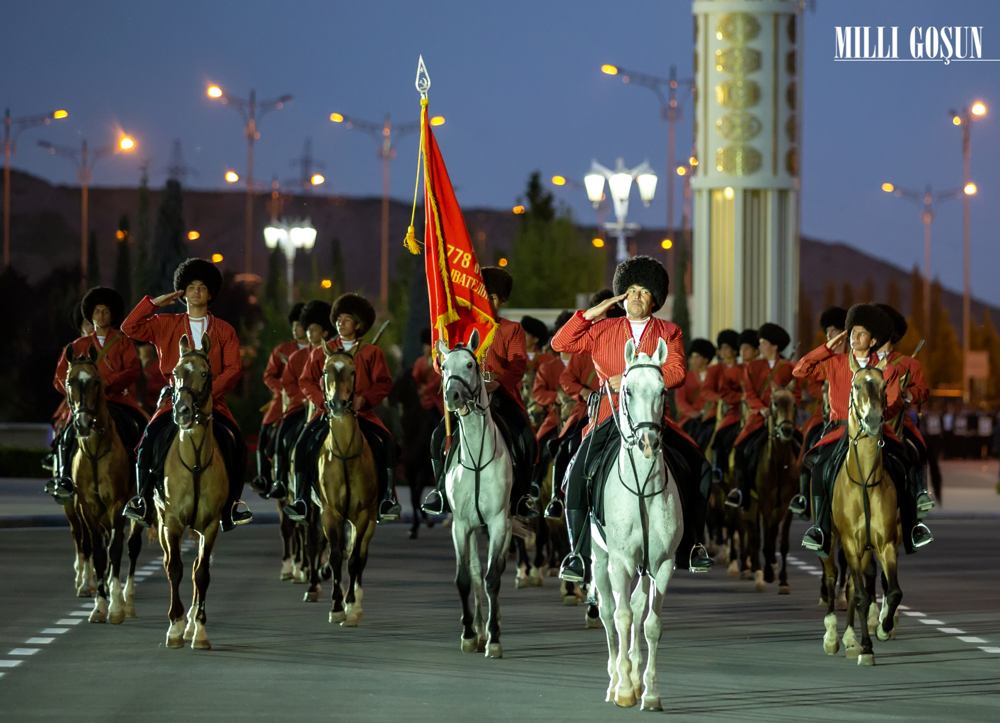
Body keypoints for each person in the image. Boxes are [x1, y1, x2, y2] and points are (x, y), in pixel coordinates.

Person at [550, 255, 713, 581]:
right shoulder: (603, 329)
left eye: (643, 292)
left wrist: (627, 378)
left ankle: (692, 545)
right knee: (577, 473)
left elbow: (677, 371)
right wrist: (592, 312)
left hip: (653, 421)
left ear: (655, 299)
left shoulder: (669, 331)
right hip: (608, 419)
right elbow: (560, 342)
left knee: (699, 466)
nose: (635, 298)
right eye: (630, 291)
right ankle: (578, 555)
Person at [121, 258, 252, 530]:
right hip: (175, 400)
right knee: (147, 442)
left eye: (202, 287)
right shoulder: (164, 323)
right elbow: (129, 327)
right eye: (191, 287)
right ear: (182, 292)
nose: (196, 292)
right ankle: (143, 501)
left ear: (211, 293)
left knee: (236, 443)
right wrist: (155, 303)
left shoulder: (225, 330)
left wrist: (208, 393)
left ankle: (232, 506)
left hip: (212, 401)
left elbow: (234, 368)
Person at [793, 303, 933, 556]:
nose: (854, 337)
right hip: (839, 430)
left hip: (875, 430)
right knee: (819, 467)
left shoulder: (885, 369)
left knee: (905, 463)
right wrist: (827, 347)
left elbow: (890, 404)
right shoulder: (834, 362)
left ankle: (913, 526)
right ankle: (819, 528)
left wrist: (899, 399)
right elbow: (801, 370)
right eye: (852, 332)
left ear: (874, 339)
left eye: (860, 333)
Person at [421, 266, 540, 519]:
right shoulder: (458, 327)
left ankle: (521, 496)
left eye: (493, 297)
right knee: (436, 437)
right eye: (484, 295)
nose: (488, 301)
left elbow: (518, 364)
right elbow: (443, 361)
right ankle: (441, 491)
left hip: (500, 397)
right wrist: (440, 359)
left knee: (526, 440)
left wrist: (498, 382)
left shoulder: (511, 330)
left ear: (502, 300)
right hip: (465, 399)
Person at [285, 293, 401, 523]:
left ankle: (387, 498)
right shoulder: (321, 351)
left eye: (347, 319)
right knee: (301, 446)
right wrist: (322, 401)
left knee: (387, 444)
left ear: (358, 324)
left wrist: (364, 400)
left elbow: (384, 383)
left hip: (362, 414)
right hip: (327, 414)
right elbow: (306, 381)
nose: (340, 323)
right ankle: (301, 499)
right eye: (338, 319)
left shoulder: (371, 353)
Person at [47, 287, 147, 501]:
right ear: (90, 315)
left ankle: (142, 481)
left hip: (118, 400)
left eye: (105, 311)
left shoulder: (124, 342)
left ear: (112, 316)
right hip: (85, 404)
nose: (101, 315)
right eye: (97, 311)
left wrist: (107, 383)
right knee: (65, 435)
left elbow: (133, 370)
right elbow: (59, 378)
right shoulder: (76, 346)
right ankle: (64, 478)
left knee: (141, 427)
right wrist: (78, 394)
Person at [726, 323, 799, 509]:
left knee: (802, 448)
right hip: (758, 420)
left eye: (763, 343)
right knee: (741, 449)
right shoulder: (752, 367)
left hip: (782, 420)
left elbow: (796, 394)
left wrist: (784, 401)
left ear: (774, 346)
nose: (760, 347)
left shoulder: (789, 367)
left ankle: (799, 495)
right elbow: (749, 393)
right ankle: (742, 492)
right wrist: (762, 408)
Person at [265, 300, 333, 500]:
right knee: (283, 436)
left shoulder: (332, 354)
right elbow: (288, 384)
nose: (308, 332)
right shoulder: (296, 357)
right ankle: (279, 479)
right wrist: (304, 399)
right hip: (298, 408)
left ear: (325, 332)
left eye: (313, 329)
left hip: (329, 409)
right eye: (308, 329)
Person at [789, 306, 846, 516]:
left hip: (857, 421)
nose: (829, 335)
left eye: (833, 331)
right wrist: (822, 388)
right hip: (825, 414)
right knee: (809, 447)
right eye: (828, 332)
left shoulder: (860, 361)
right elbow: (803, 373)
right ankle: (805, 496)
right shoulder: (827, 361)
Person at [250, 302, 307, 496]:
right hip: (283, 401)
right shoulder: (282, 349)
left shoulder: (319, 350)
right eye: (293, 326)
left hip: (311, 401)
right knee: (265, 433)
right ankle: (263, 477)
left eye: (298, 325)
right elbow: (269, 376)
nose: (295, 329)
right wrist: (282, 389)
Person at [675, 338, 716, 450]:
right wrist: (695, 414)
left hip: (713, 417)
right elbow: (680, 401)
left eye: (696, 357)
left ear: (706, 359)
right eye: (691, 357)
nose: (691, 360)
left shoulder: (715, 375)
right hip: (692, 418)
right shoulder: (685, 378)